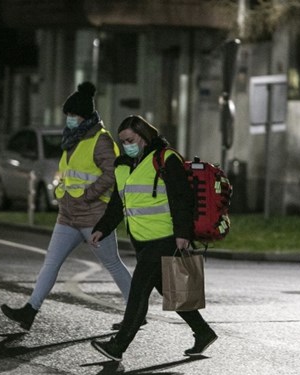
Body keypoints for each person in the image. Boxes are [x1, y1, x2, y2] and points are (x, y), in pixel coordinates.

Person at [0, 82, 132, 331]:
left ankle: (136, 312)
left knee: (112, 263)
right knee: (51, 262)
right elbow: (67, 173)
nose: (69, 119)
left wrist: (87, 195)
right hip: (68, 215)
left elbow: (112, 173)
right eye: (68, 115)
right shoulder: (73, 139)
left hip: (94, 215)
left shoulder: (100, 140)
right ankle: (30, 311)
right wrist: (62, 194)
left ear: (84, 115)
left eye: (73, 115)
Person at [89, 115, 218, 361]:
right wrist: (102, 228)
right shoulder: (122, 165)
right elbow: (118, 202)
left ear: (144, 136)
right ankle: (202, 332)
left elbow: (182, 199)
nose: (126, 144)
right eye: (123, 141)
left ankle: (118, 346)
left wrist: (183, 234)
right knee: (172, 291)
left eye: (130, 139)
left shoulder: (165, 158)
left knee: (138, 291)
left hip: (165, 237)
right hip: (142, 239)